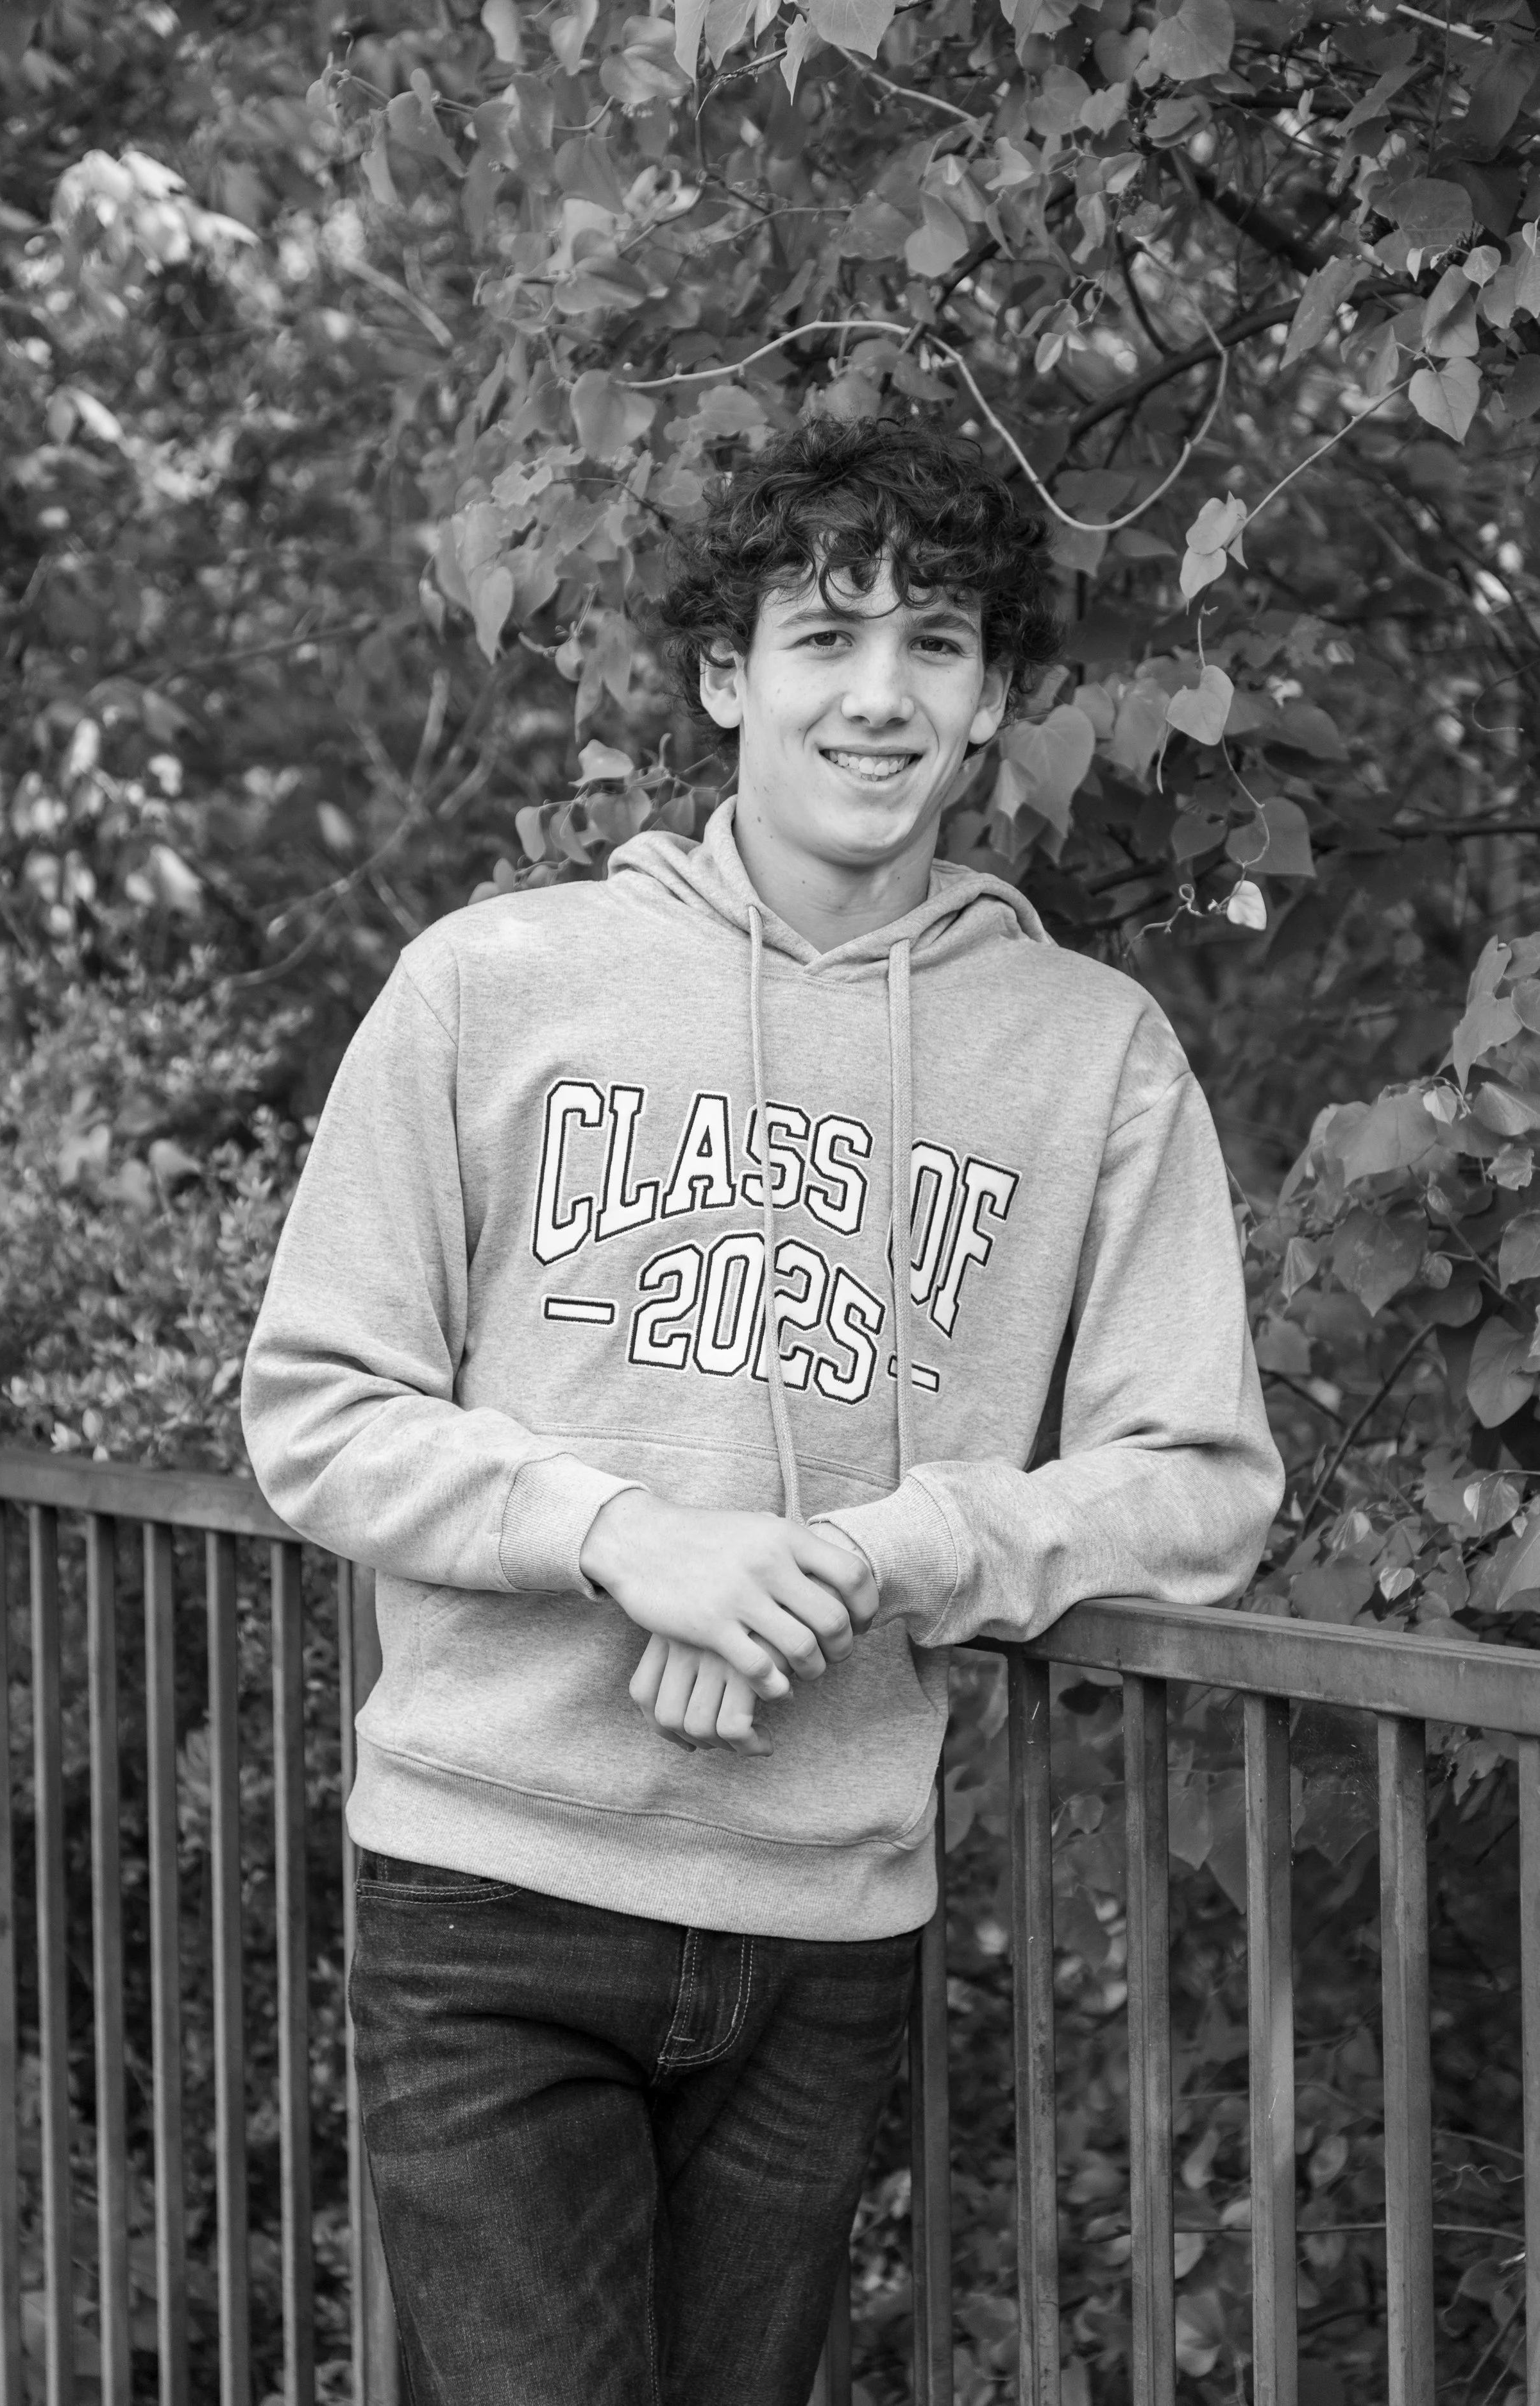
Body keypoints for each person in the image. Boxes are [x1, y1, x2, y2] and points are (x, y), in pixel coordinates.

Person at [240, 415, 1283, 2406]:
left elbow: (1199, 1482)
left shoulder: (1089, 1053)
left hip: (824, 1928)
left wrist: (865, 1557)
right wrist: (625, 1538)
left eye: (935, 644)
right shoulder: (493, 984)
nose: (878, 694)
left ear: (991, 700)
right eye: (824, 636)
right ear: (728, 676)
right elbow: (314, 1401)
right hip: (495, 1895)